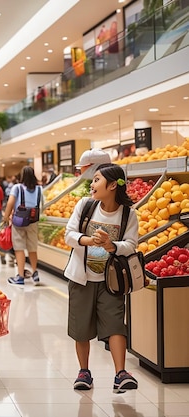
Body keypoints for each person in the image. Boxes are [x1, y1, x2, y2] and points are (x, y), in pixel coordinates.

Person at [63, 163, 139, 393]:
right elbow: (69, 235)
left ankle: (120, 373)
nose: (92, 184)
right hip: (81, 277)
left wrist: (110, 244)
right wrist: (90, 240)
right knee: (81, 327)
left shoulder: (128, 214)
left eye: (97, 180)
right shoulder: (85, 206)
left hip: (111, 280)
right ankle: (84, 372)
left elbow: (131, 245)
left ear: (113, 185)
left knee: (116, 324)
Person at [3, 166, 43, 286]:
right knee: (32, 248)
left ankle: (20, 277)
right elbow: (42, 204)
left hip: (19, 221)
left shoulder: (17, 187)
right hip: (33, 221)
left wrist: (5, 217)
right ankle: (35, 272)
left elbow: (10, 203)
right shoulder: (39, 189)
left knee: (19, 248)